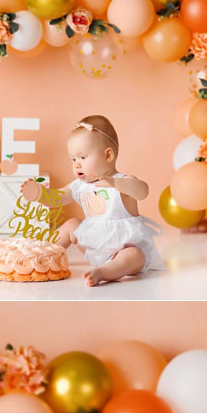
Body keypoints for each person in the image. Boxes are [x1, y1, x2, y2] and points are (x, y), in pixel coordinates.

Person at [22, 114, 163, 286]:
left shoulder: (122, 182)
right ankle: (42, 256)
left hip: (122, 249)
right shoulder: (80, 186)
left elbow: (143, 191)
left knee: (135, 255)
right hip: (94, 244)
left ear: (108, 156)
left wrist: (115, 183)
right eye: (73, 159)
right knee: (71, 225)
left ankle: (105, 271)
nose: (77, 164)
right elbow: (57, 198)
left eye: (83, 157)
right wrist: (40, 195)